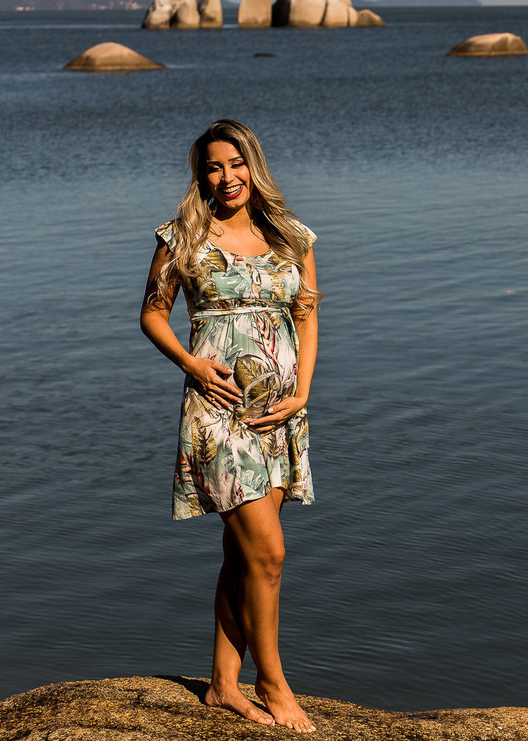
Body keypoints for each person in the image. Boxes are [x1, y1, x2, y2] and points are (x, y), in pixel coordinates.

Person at [141, 119, 319, 733]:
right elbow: (152, 314)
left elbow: (307, 313)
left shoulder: (291, 235)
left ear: (253, 166)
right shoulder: (183, 237)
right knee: (268, 553)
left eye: (236, 164)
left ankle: (223, 682)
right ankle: (272, 681)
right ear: (202, 176)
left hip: (279, 411)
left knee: (242, 554)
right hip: (217, 412)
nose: (227, 177)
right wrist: (191, 363)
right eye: (214, 167)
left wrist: (302, 393)